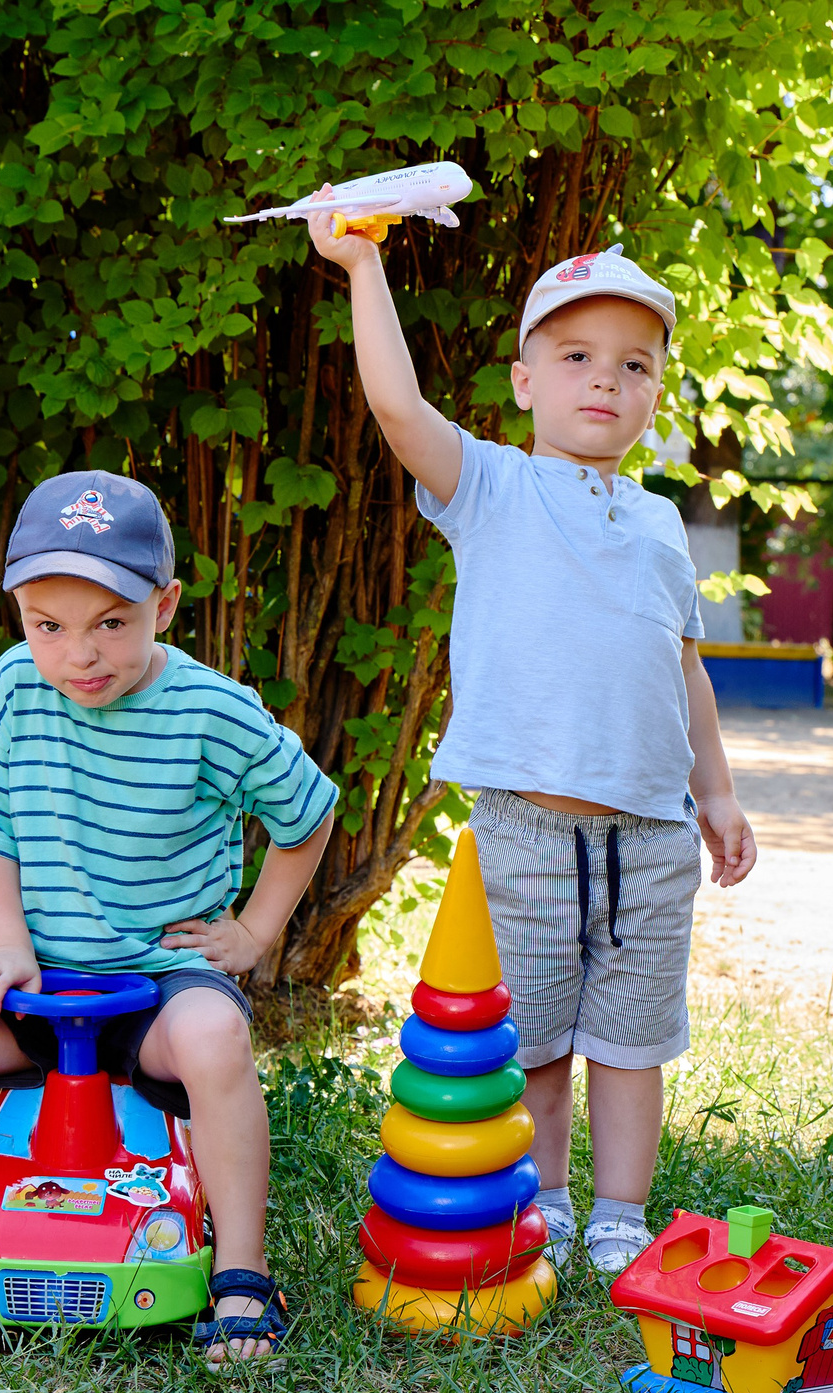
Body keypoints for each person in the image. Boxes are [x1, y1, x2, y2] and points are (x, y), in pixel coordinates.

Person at [312, 209, 757, 1277]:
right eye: (574, 358)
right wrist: (364, 265)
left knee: (634, 1040)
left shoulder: (659, 524)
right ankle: (547, 1200)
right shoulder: (492, 488)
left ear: (654, 395)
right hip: (524, 831)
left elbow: (682, 666)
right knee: (541, 1041)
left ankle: (618, 1213)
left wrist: (720, 796)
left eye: (632, 365)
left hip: (651, 834)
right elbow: (392, 402)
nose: (603, 381)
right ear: (524, 383)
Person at [0, 471, 336, 1360]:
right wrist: (8, 945)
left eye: (110, 624)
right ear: (19, 610)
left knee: (216, 1039)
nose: (79, 655)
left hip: (156, 987)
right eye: (48, 625)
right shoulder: (15, 687)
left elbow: (307, 811)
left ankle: (240, 1274)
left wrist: (254, 932)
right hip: (28, 985)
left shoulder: (212, 710)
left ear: (165, 605)